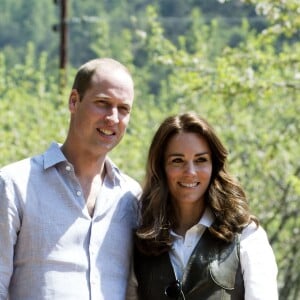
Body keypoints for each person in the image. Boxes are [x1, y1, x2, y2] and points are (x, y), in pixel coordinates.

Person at [0, 58, 141, 300]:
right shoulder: (15, 184)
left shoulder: (131, 197)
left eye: (123, 109)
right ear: (74, 101)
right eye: (103, 103)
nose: (113, 117)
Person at [126, 112, 278, 300]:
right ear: (161, 167)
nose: (190, 172)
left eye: (201, 160)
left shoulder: (247, 236)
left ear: (214, 165)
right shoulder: (141, 241)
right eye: (177, 160)